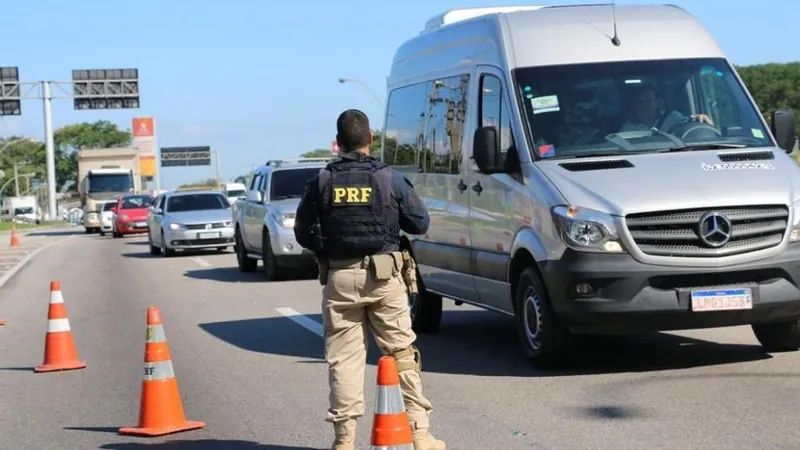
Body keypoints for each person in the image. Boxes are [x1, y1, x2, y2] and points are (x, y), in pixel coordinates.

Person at [293, 109, 445, 450]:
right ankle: (420, 435)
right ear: (370, 139)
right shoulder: (389, 178)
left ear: (338, 143)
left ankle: (344, 441)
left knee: (344, 361)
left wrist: (328, 245)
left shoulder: (321, 181)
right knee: (401, 353)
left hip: (340, 278)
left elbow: (302, 232)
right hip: (385, 277)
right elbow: (420, 223)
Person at [620, 84, 714, 133]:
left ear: (657, 102)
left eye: (648, 101)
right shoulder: (628, 128)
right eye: (640, 102)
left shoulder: (673, 118)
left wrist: (699, 119)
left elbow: (689, 127)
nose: (643, 105)